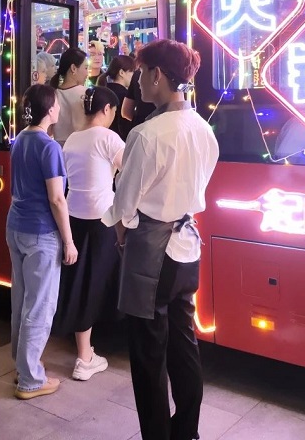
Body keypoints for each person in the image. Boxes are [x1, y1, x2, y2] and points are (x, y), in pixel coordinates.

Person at [102, 40, 218, 440]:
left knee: (148, 356)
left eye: (142, 72)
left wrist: (121, 233)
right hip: (188, 249)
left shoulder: (147, 134)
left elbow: (124, 202)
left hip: (152, 254)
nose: (137, 81)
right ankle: (187, 431)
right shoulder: (203, 129)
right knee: (184, 347)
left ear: (157, 75)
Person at [6, 84, 78, 400]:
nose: (59, 109)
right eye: (57, 105)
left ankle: (23, 366)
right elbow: (57, 199)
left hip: (16, 227)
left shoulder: (20, 139)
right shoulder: (50, 147)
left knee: (21, 301)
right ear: (49, 110)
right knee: (40, 306)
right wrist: (69, 241)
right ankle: (31, 380)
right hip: (41, 233)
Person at [53, 86, 124, 381]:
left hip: (74, 218)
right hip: (102, 220)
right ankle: (84, 359)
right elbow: (132, 171)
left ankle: (86, 351)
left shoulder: (72, 139)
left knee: (82, 283)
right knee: (100, 285)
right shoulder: (108, 138)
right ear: (107, 110)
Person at [49, 47, 88, 146]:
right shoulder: (86, 94)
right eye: (85, 68)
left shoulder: (52, 95)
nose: (87, 73)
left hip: (59, 149)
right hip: (81, 147)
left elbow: (49, 131)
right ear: (73, 68)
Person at [98, 55, 136, 140]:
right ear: (121, 72)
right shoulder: (125, 96)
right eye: (132, 72)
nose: (134, 76)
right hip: (118, 140)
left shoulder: (103, 90)